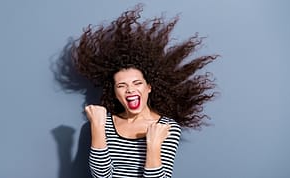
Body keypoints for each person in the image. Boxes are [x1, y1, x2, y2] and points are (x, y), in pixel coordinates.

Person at [69, 3, 218, 178]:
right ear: (115, 92)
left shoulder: (167, 127)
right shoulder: (104, 124)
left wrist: (153, 145)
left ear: (149, 87)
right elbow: (101, 176)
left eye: (137, 83)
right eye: (121, 86)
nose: (130, 90)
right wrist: (97, 126)